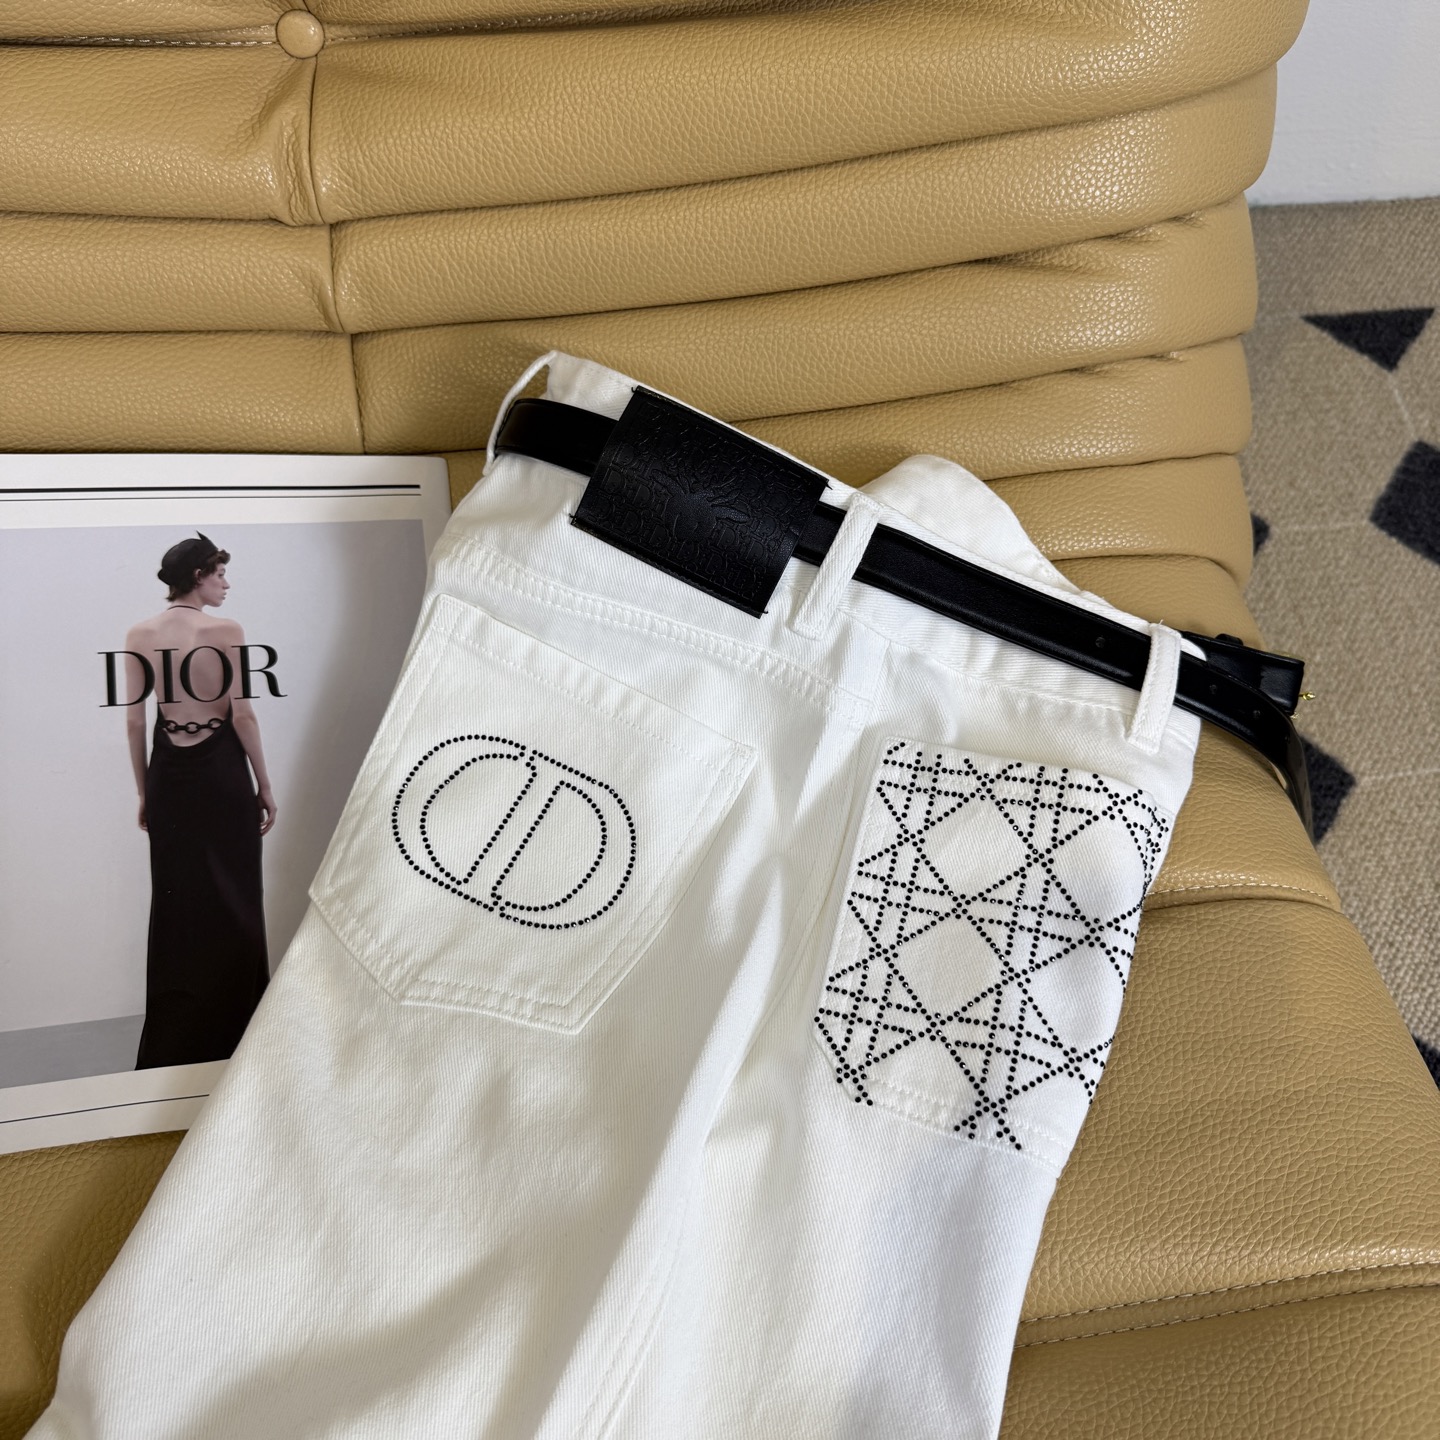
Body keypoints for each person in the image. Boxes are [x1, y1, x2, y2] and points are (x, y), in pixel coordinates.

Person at [124, 533, 276, 1069]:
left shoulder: (139, 634)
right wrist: (264, 785)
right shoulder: (225, 631)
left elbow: (136, 721)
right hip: (221, 773)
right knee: (237, 896)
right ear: (198, 577)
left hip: (169, 775)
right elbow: (243, 714)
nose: (226, 585)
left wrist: (145, 790)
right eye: (220, 575)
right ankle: (241, 1035)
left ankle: (179, 1041)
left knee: (178, 904)